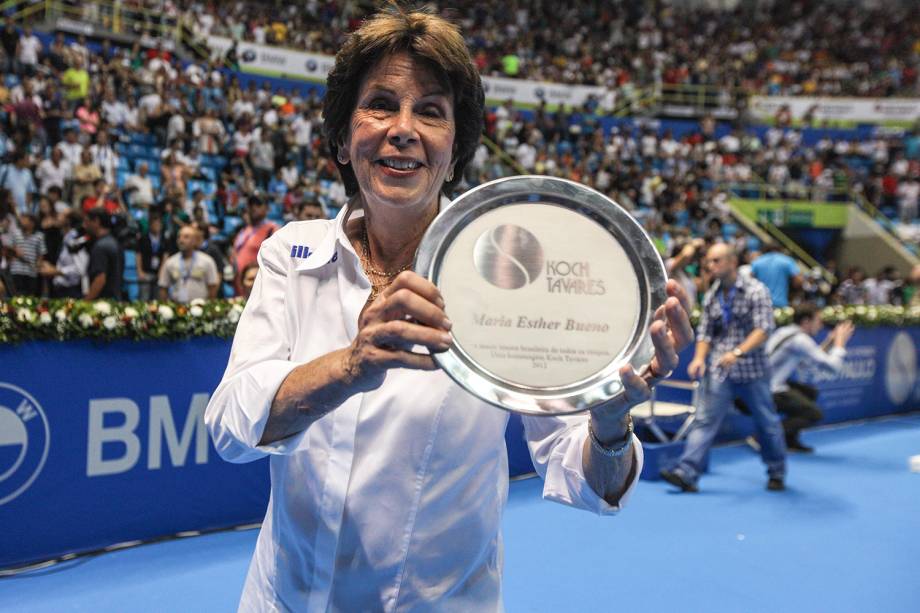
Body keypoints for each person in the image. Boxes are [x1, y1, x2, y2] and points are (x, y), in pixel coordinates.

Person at [204, 8, 692, 611]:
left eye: (431, 111)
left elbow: (585, 480)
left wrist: (611, 426)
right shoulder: (292, 253)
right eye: (380, 104)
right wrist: (350, 366)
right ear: (341, 136)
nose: (403, 129)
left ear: (455, 147)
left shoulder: (508, 273)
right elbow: (230, 426)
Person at [661, 242, 786, 493]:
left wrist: (738, 352)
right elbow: (706, 332)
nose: (710, 265)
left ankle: (776, 471)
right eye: (708, 261)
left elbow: (763, 329)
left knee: (767, 423)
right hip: (721, 371)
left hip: (754, 371)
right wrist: (698, 359)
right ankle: (687, 472)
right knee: (704, 420)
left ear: (732, 263)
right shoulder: (712, 295)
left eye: (716, 261)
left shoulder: (756, 290)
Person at [766, 304, 855, 453]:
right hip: (769, 390)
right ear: (806, 322)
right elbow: (831, 367)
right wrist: (840, 344)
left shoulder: (785, 332)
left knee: (810, 393)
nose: (820, 325)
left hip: (766, 384)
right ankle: (764, 436)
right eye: (818, 321)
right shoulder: (800, 339)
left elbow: (807, 363)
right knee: (813, 414)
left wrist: (829, 342)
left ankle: (789, 440)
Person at [157, 225, 219, 302]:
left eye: (186, 237)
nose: (181, 240)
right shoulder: (170, 262)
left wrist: (208, 307)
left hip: (201, 308)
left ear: (194, 241)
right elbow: (163, 287)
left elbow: (212, 286)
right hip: (176, 307)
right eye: (179, 237)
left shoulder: (207, 261)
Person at [231, 193, 278, 293]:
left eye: (258, 204)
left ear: (267, 208)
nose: (253, 207)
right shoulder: (243, 230)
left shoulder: (272, 229)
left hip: (258, 284)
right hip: (240, 283)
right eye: (251, 204)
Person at [83, 207, 123, 300]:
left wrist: (85, 302)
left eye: (87, 221)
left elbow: (100, 279)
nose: (84, 226)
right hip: (115, 300)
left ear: (96, 221)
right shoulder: (115, 242)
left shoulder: (100, 247)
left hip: (103, 303)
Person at [751, 244, 801, 309]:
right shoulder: (787, 261)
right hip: (780, 304)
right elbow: (798, 282)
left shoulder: (757, 261)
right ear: (780, 250)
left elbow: (750, 281)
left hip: (760, 303)